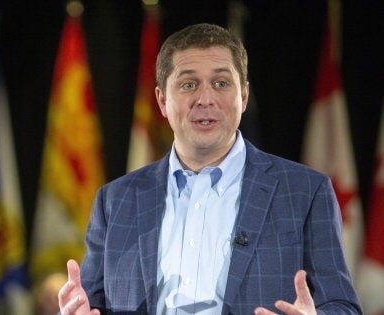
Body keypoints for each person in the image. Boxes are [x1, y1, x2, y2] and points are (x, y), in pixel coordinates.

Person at [58, 23, 361, 315]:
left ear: (243, 96)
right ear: (162, 101)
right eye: (189, 84)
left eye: (221, 83)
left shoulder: (305, 192)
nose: (205, 99)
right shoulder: (116, 200)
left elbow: (342, 306)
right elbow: (90, 305)